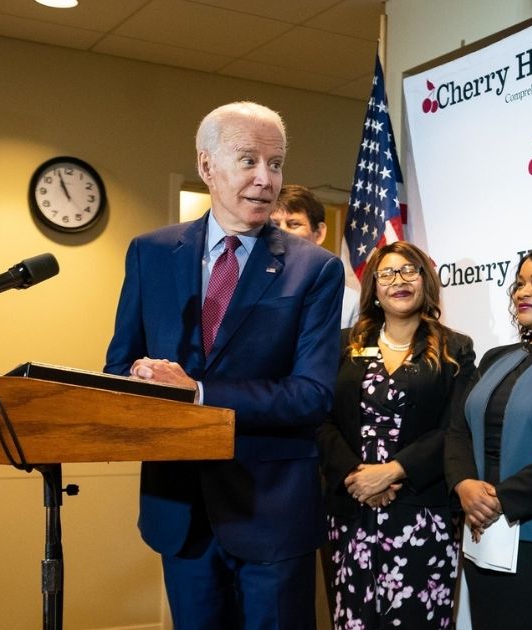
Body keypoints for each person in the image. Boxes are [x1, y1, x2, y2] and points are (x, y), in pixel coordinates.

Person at [104, 101, 344, 630]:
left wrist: (197, 393)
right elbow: (119, 367)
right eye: (249, 160)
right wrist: (140, 381)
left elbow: (312, 395)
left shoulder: (316, 271)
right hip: (181, 511)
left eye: (276, 163)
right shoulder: (151, 252)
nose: (266, 179)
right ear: (207, 165)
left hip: (271, 513)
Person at [317, 240, 476, 629]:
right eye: (387, 273)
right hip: (352, 508)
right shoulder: (342, 345)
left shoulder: (455, 348)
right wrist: (358, 475)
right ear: (374, 286)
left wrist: (392, 471)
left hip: (422, 512)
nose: (398, 281)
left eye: (410, 271)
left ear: (425, 282)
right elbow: (320, 419)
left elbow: (454, 427)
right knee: (354, 619)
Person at [445, 241, 532, 630]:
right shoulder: (495, 358)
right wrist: (465, 485)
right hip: (482, 534)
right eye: (520, 283)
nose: (523, 292)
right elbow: (458, 430)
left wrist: (501, 499)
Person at [272, 183, 360, 327]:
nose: (282, 233)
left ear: (319, 233)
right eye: (274, 225)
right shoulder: (248, 291)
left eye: (293, 224)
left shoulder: (348, 302)